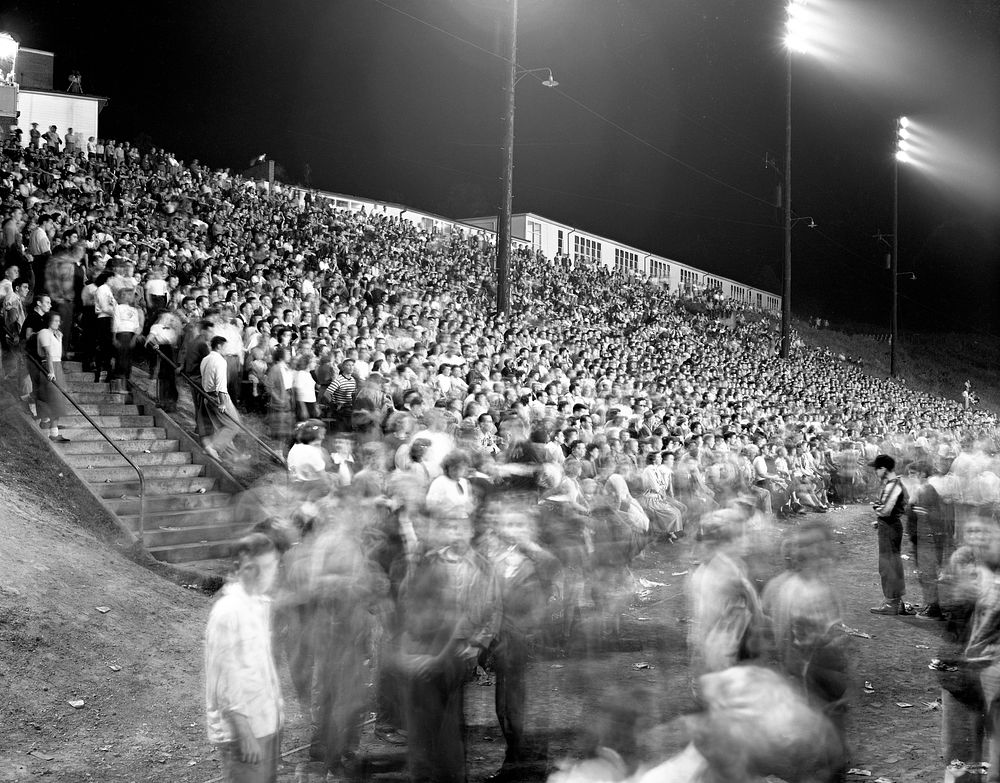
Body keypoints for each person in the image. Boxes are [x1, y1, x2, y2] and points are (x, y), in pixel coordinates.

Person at [204, 533, 283, 783]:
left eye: (273, 565)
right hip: (244, 734)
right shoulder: (228, 612)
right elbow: (225, 680)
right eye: (267, 567)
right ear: (245, 568)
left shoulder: (259, 604)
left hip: (267, 723)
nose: (272, 573)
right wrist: (245, 732)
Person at [868, 454, 911, 615]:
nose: (875, 472)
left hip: (890, 526)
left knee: (888, 565)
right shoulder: (895, 483)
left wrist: (876, 507)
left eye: (876, 469)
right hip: (890, 525)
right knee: (892, 562)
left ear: (883, 469)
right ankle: (896, 601)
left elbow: (885, 510)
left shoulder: (893, 485)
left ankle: (891, 602)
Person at [200, 335, 242, 462]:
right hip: (219, 397)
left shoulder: (205, 359)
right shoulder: (220, 361)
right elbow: (221, 385)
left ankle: (233, 455)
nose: (226, 350)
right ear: (219, 346)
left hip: (207, 396)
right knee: (234, 425)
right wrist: (223, 402)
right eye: (225, 347)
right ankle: (211, 445)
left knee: (222, 427)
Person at [35, 310, 71, 442]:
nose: (58, 323)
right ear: (48, 321)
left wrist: (59, 338)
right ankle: (53, 433)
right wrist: (51, 371)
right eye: (55, 320)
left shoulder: (56, 334)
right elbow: (48, 353)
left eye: (58, 320)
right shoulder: (44, 332)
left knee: (58, 398)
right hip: (50, 366)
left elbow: (57, 354)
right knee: (55, 399)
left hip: (57, 365)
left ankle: (50, 426)